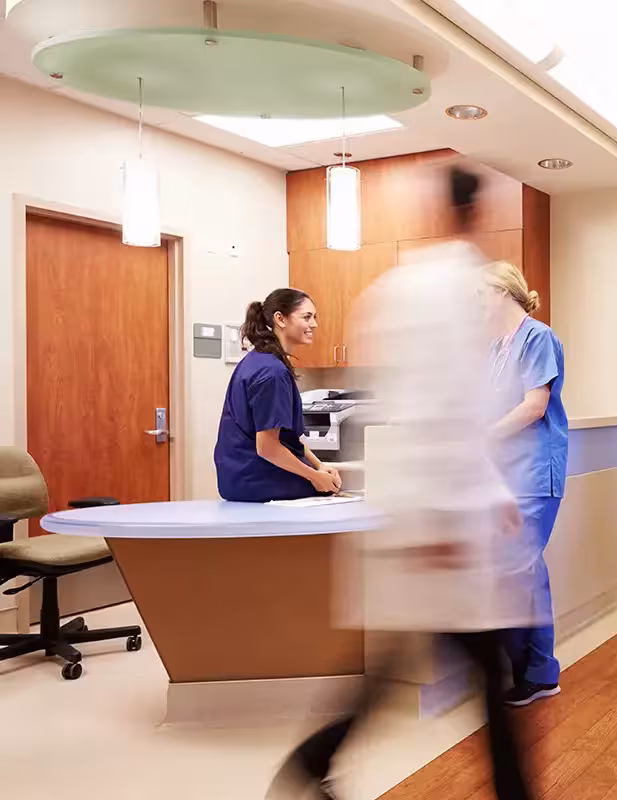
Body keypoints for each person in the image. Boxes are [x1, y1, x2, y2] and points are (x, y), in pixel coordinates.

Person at [275, 166, 533, 800]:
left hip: (422, 509)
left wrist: (488, 496)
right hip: (433, 517)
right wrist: (447, 520)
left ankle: (313, 761)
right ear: (474, 215)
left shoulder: (395, 288)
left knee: (403, 664)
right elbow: (440, 409)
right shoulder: (447, 295)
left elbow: (438, 410)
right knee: (479, 669)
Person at [482, 260, 568, 707]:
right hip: (506, 476)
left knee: (520, 570)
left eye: (480, 296)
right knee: (515, 571)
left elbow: (535, 406)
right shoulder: (496, 347)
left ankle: (538, 673)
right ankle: (527, 669)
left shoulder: (538, 337)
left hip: (535, 473)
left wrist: (485, 434)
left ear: (501, 293)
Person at [214, 289, 341, 502]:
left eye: (314, 317)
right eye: (307, 317)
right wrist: (315, 478)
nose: (314, 325)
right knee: (332, 493)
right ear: (280, 319)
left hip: (239, 477)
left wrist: (320, 466)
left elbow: (286, 439)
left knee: (327, 483)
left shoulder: (258, 360)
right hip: (256, 479)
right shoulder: (272, 372)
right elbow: (267, 447)